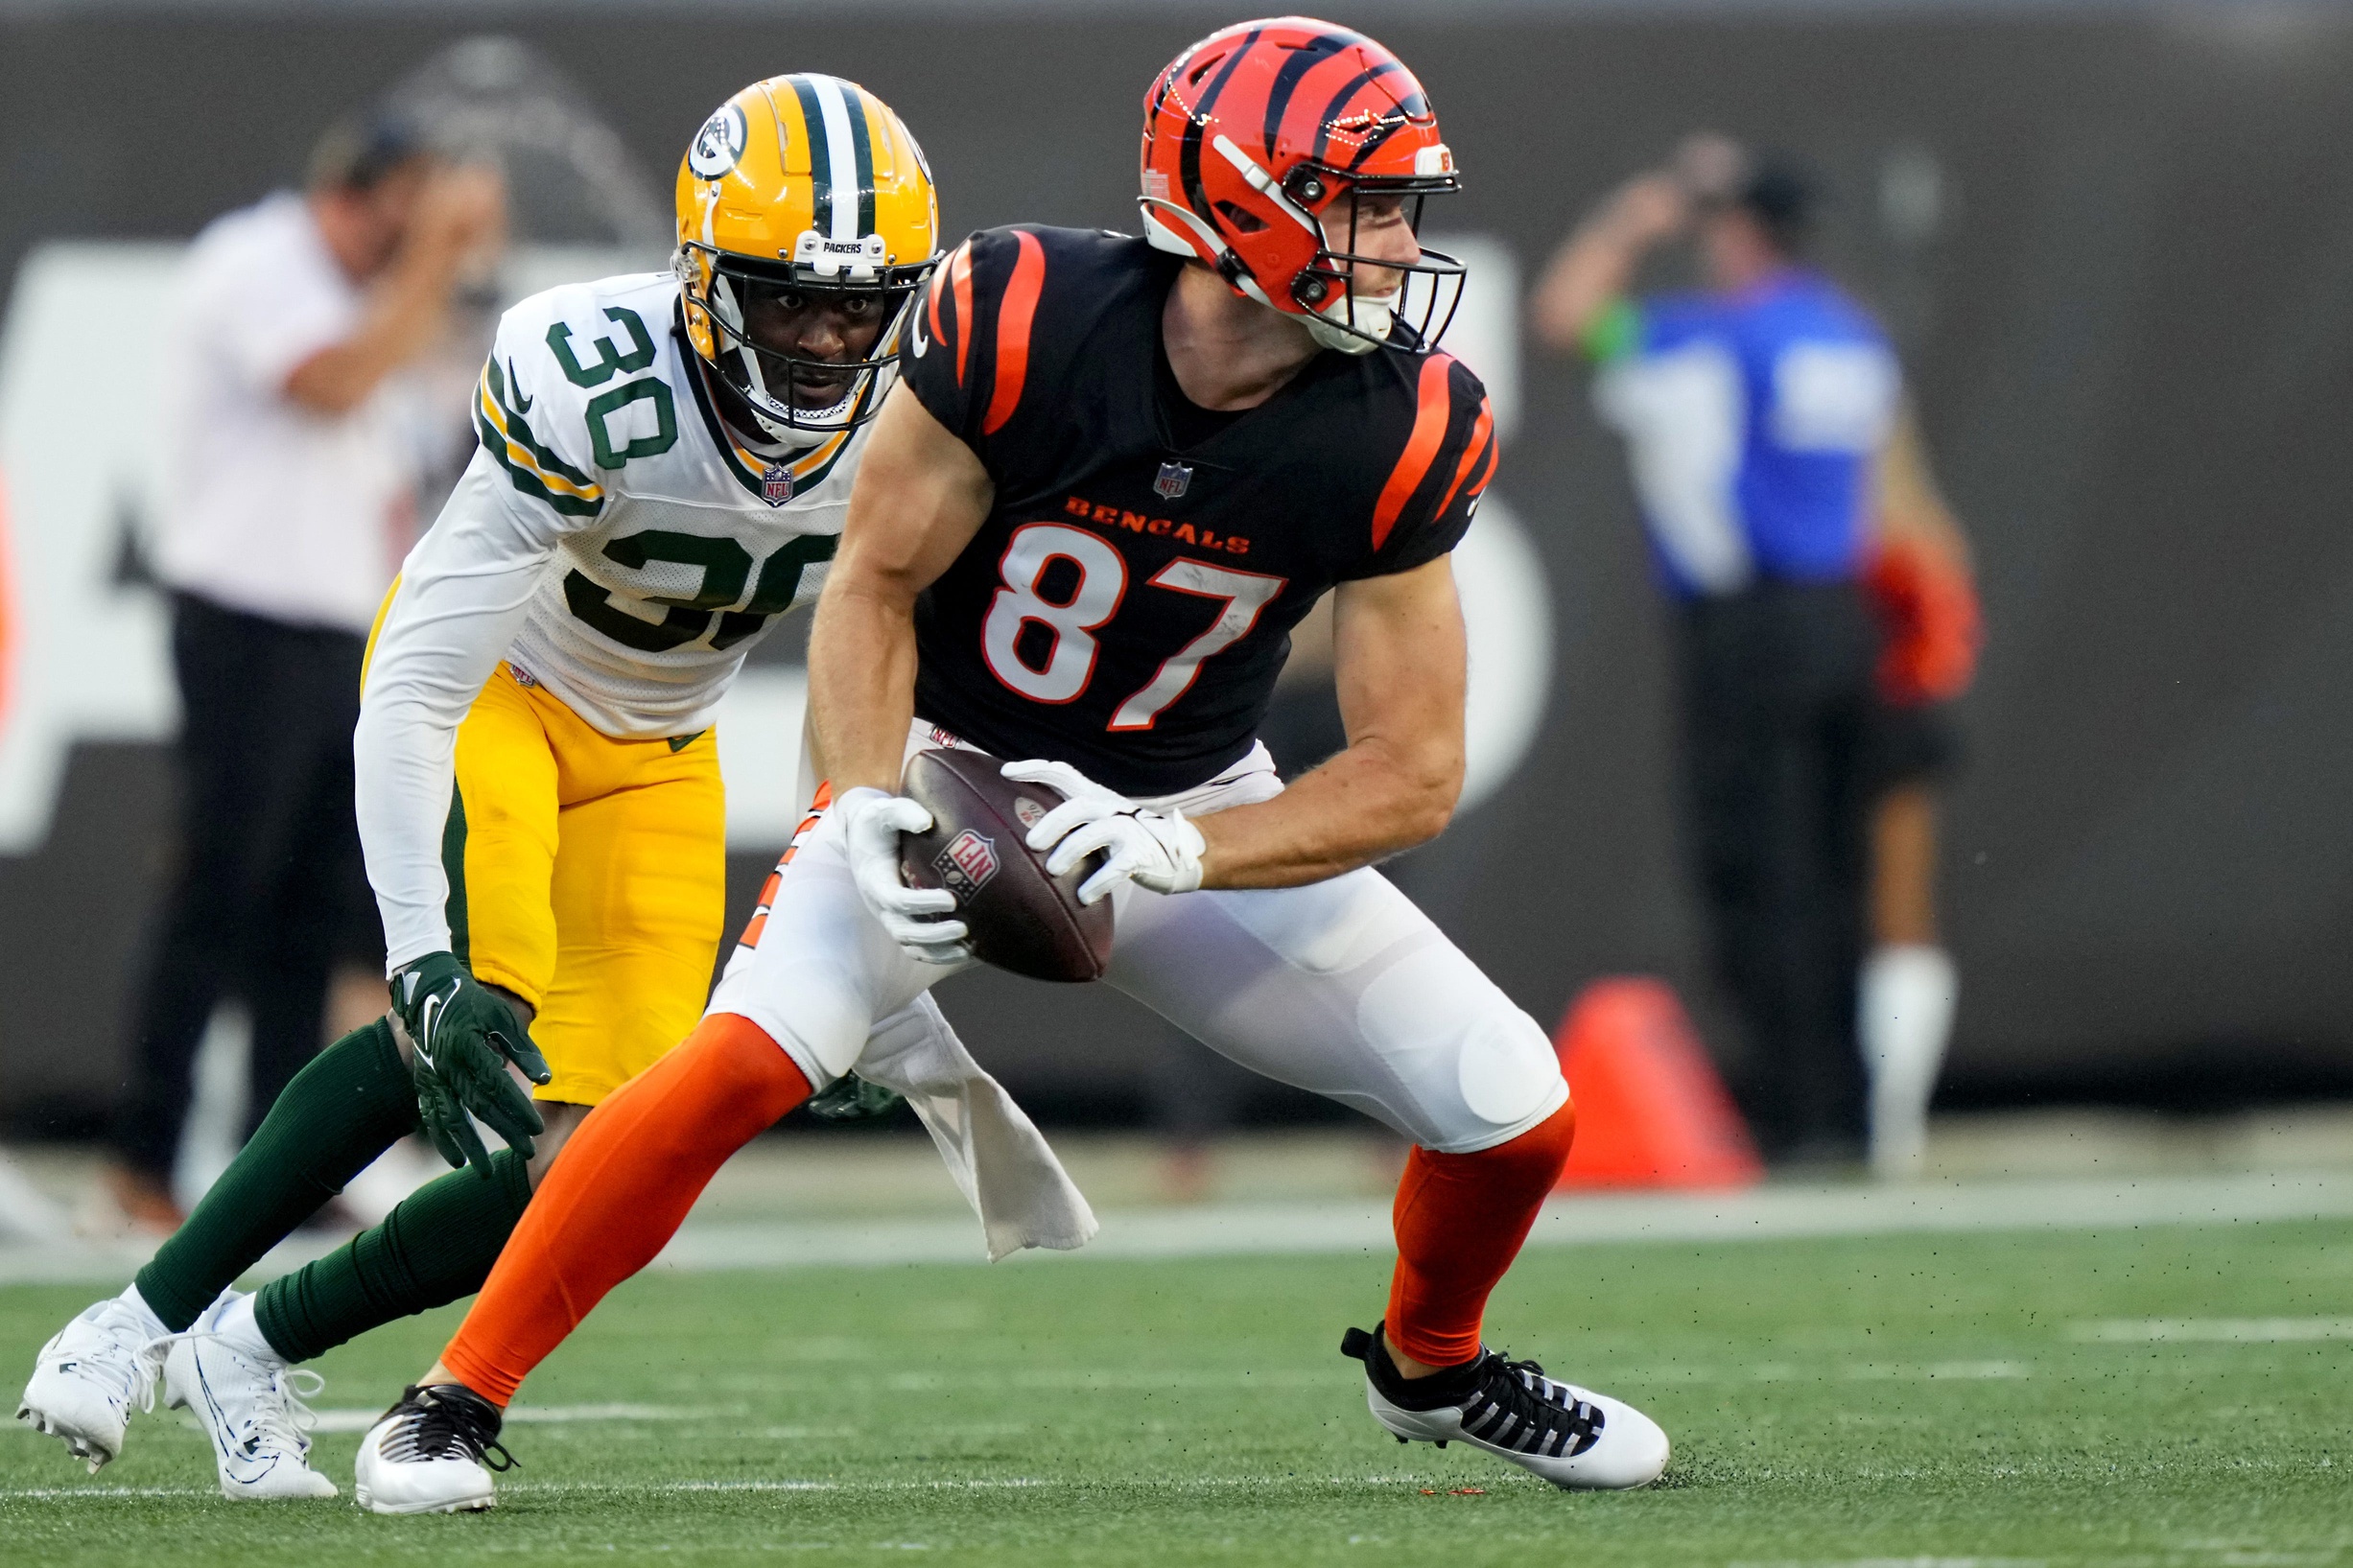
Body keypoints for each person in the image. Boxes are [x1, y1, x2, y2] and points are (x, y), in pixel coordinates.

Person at [353, 20, 1672, 1512]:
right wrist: (856, 804)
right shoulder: (1024, 312)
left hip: (1182, 799)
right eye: (1360, 202)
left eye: (1396, 208)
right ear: (1239, 198)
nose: (1392, 244)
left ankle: (1431, 1364)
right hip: (947, 766)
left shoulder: (1401, 426)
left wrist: (1189, 847)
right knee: (739, 1057)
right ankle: (450, 1398)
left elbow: (1413, 770)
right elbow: (871, 581)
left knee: (1511, 1102)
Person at [17, 75, 1052, 1503]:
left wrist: (870, 961)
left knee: (612, 1152)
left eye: (857, 303)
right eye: (786, 299)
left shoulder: (926, 417)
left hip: (662, 750)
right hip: (502, 695)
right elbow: (421, 677)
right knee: (476, 1007)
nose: (823, 338)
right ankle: (132, 1321)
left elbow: (873, 672)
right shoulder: (596, 377)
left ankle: (251, 1342)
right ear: (700, 279)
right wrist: (417, 949)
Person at [103, 115, 505, 1232]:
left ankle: (267, 1164)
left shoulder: (381, 299)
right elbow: (327, 382)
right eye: (398, 215)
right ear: (349, 195)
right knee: (217, 890)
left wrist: (447, 269)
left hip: (343, 632)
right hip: (243, 620)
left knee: (316, 910)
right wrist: (429, 259)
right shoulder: (255, 261)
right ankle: (142, 1154)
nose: (407, 242)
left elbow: (437, 406)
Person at [1531, 138, 1903, 1166]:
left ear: (1736, 232)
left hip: (1750, 630)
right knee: (1834, 877)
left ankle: (1791, 1116)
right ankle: (1848, 1111)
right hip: (1842, 616)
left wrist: (1634, 218)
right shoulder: (1847, 333)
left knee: (1758, 873)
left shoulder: (1718, 339)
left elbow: (1564, 317)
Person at [1857, 410, 1979, 1176]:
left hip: (1888, 712)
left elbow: (1938, 639)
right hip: (1881, 710)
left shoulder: (1899, 531)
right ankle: (1883, 1119)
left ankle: (1890, 1119)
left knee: (1896, 909)